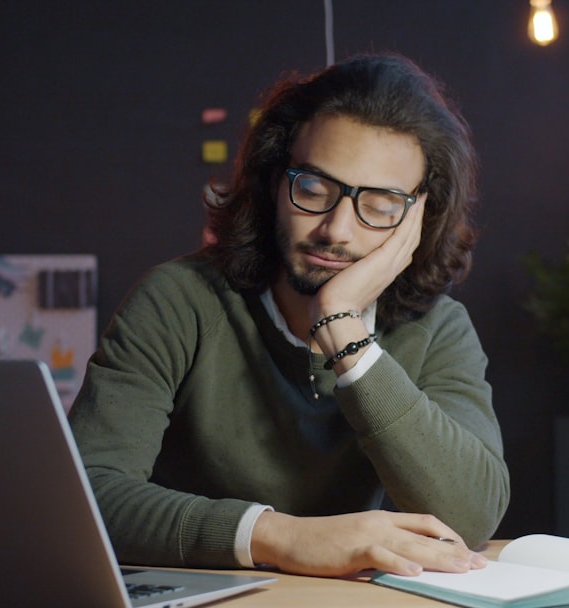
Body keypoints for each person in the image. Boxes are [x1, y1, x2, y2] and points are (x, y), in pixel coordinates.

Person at [68, 52, 509, 578]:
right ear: (275, 181)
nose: (337, 230)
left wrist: (342, 326)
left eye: (380, 205)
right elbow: (87, 496)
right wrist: (281, 538)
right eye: (313, 189)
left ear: (418, 218)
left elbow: (471, 518)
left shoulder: (438, 329)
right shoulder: (178, 300)